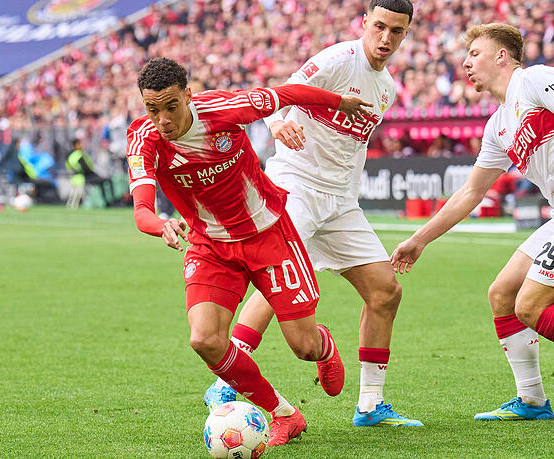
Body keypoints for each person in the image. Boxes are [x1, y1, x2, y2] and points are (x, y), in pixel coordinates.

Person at [390, 24, 554, 424]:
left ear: (502, 56)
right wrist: (419, 240)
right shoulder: (497, 125)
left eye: (476, 53)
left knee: (529, 306)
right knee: (502, 294)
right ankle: (532, 400)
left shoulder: (535, 79)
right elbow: (470, 193)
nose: (466, 62)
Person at [202, 0, 422, 433]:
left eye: (396, 32)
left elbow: (350, 147)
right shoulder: (340, 58)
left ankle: (371, 405)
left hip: (340, 204)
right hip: (296, 188)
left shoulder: (386, 89)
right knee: (275, 280)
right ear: (364, 23)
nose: (385, 38)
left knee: (385, 293)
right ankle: (226, 384)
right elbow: (285, 91)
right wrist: (278, 121)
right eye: (379, 27)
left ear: (405, 34)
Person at [127, 58, 373, 445]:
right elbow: (141, 210)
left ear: (188, 96)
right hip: (210, 246)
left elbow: (285, 94)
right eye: (152, 109)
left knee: (303, 346)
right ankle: (284, 413)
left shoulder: (224, 110)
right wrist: (162, 225)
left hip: (269, 235)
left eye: (171, 106)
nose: (163, 119)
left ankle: (323, 346)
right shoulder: (144, 140)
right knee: (205, 340)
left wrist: (337, 102)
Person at [66, 138, 116, 206]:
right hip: (84, 177)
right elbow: (86, 168)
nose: (82, 145)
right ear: (76, 145)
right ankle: (109, 202)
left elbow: (68, 167)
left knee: (102, 180)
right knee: (106, 180)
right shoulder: (79, 155)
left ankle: (107, 202)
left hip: (74, 178)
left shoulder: (69, 156)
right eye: (80, 144)